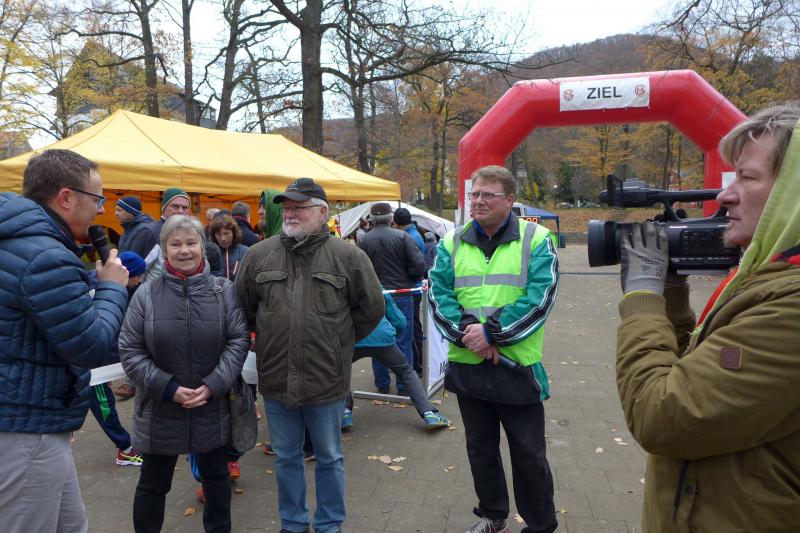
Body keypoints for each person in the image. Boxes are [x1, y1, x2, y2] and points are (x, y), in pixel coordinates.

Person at [615, 104, 800, 531]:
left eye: (747, 178)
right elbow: (692, 373)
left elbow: (660, 415)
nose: (725, 196)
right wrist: (671, 294)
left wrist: (642, 298)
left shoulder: (791, 306)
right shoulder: (765, 278)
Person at [236, 177, 384, 533]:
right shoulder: (259, 255)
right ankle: (293, 524)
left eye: (298, 207)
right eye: (286, 207)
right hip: (276, 378)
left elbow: (372, 309)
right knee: (286, 458)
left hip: (326, 379)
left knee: (329, 457)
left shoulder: (349, 257)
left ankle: (329, 525)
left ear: (322, 212)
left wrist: (337, 342)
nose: (289, 213)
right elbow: (243, 308)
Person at [0, 149, 130, 533]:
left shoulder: (18, 240)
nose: (101, 210)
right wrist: (111, 287)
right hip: (28, 426)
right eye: (97, 199)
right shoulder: (45, 256)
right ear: (66, 197)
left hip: (29, 415)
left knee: (71, 525)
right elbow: (91, 345)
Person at [428, 165, 559, 533]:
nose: (479, 201)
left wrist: (491, 334)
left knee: (529, 455)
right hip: (469, 367)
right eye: (475, 194)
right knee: (480, 449)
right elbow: (438, 293)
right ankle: (493, 516)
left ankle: (540, 526)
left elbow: (540, 298)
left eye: (488, 194)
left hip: (516, 367)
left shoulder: (536, 239)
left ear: (510, 200)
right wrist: (471, 335)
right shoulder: (452, 241)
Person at [119, 215, 249, 533]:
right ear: (164, 250)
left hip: (211, 406)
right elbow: (130, 350)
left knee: (216, 479)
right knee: (153, 484)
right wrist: (168, 388)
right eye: (175, 244)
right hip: (160, 407)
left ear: (202, 247)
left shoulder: (224, 291)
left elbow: (238, 340)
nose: (184, 250)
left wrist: (213, 384)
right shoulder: (146, 294)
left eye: (191, 242)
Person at [341, 287, 449, 430]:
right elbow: (399, 321)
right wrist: (392, 333)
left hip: (351, 340)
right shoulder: (375, 286)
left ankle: (344, 412)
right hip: (383, 338)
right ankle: (429, 413)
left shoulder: (338, 290)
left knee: (339, 373)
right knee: (406, 372)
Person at [358, 202, 426, 394]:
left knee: (377, 339)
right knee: (403, 340)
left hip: (374, 296)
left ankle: (382, 384)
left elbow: (358, 270)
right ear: (391, 218)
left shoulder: (364, 241)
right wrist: (408, 278)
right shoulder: (403, 237)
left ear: (372, 219)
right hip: (401, 293)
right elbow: (418, 267)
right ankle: (404, 385)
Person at [88, 250, 148, 467]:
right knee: (104, 404)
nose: (140, 281)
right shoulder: (101, 292)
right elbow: (103, 332)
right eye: (138, 276)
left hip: (96, 363)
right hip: (93, 367)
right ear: (126, 273)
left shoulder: (106, 287)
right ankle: (125, 448)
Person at [393, 207, 426, 378]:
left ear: (396, 222)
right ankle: (416, 363)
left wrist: (406, 277)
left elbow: (416, 266)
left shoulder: (409, 237)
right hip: (413, 287)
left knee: (411, 330)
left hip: (412, 289)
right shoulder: (413, 234)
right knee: (412, 328)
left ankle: (417, 365)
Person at [209, 214, 249, 281]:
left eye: (226, 233)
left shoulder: (245, 252)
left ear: (234, 233)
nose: (223, 238)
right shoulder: (210, 254)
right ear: (214, 236)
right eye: (218, 235)